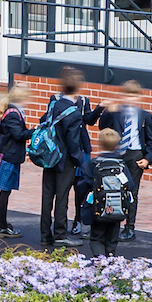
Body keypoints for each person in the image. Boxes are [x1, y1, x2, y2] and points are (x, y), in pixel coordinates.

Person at [36, 68, 94, 247]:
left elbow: (43, 121)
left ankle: (45, 234)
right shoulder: (75, 113)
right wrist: (79, 161)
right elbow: (74, 142)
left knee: (47, 196)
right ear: (77, 89)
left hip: (49, 156)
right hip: (65, 160)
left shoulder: (54, 105)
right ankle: (60, 234)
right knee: (62, 197)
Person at [106, 80, 152, 240]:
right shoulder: (117, 112)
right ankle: (111, 223)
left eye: (134, 96)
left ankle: (129, 227)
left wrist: (147, 159)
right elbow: (103, 126)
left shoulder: (145, 116)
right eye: (128, 95)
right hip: (118, 155)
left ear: (139, 98)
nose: (130, 99)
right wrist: (108, 111)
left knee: (132, 192)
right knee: (113, 189)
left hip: (135, 156)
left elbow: (151, 141)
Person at [80, 127, 133, 257]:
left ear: (100, 143)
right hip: (117, 209)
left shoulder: (91, 164)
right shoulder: (121, 166)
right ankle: (110, 263)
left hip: (98, 208)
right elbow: (130, 185)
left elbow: (82, 186)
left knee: (97, 238)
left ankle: (100, 263)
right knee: (112, 238)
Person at [0, 86, 30, 237]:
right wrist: (34, 132)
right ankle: (2, 226)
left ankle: (3, 224)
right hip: (9, 158)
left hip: (9, 157)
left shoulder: (12, 111)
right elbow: (19, 135)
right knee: (5, 192)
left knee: (5, 191)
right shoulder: (13, 114)